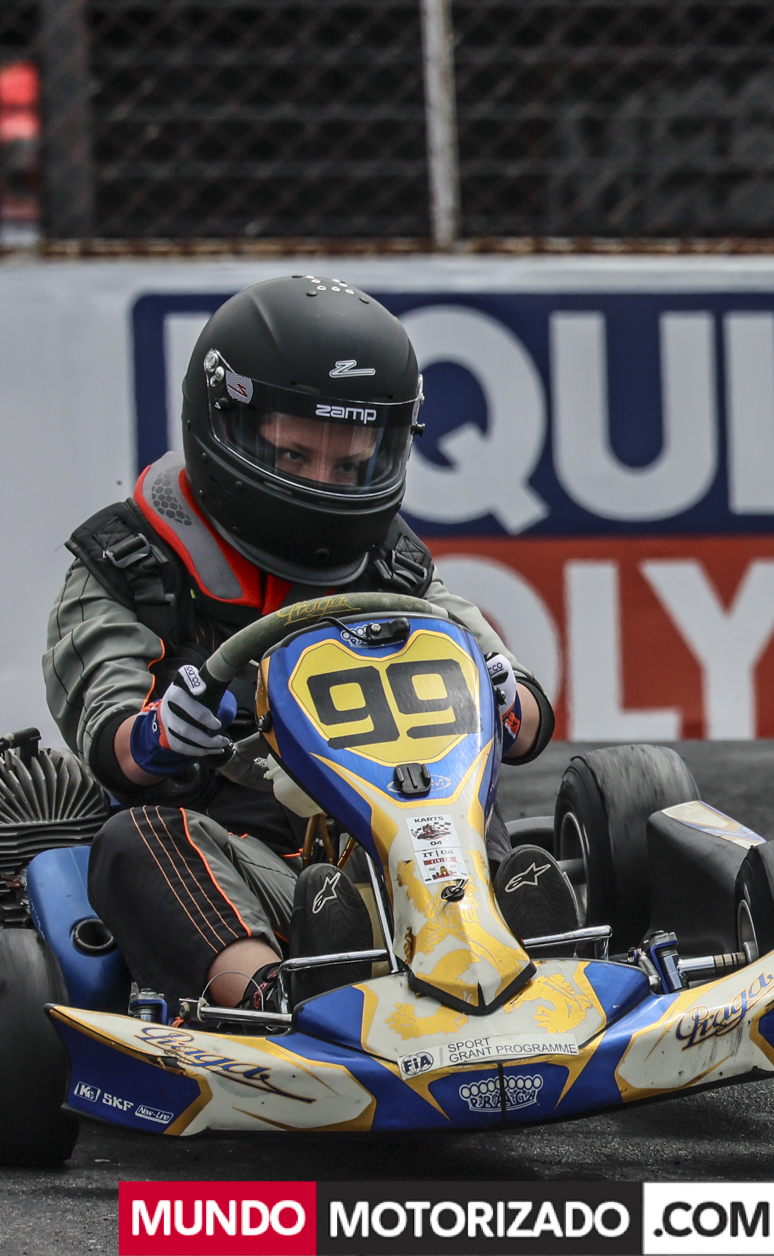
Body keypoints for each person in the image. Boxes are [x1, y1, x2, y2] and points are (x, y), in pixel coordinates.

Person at [43, 275, 572, 1012]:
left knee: (465, 797)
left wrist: (503, 695)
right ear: (224, 423)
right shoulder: (132, 561)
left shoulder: (390, 564)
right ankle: (271, 995)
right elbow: (107, 730)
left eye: (350, 465)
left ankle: (518, 955)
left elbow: (525, 712)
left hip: (399, 850)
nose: (324, 482)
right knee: (136, 839)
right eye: (294, 456)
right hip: (239, 859)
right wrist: (163, 732)